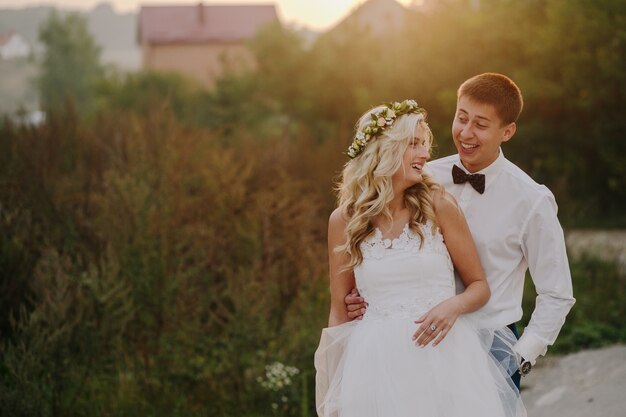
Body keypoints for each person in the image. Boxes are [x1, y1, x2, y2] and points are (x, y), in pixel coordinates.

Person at [345, 73, 576, 388]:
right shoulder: (422, 174)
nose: (466, 133)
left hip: (493, 343)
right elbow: (381, 237)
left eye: (480, 125)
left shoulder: (532, 201)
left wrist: (520, 357)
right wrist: (369, 292)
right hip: (418, 345)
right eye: (461, 118)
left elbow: (557, 293)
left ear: (507, 131)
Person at [314, 99, 526, 416]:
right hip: (375, 366)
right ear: (384, 150)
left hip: (445, 358)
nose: (425, 154)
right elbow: (339, 311)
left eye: (425, 145)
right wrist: (335, 391)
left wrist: (451, 306)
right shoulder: (343, 221)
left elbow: (479, 285)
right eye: (414, 144)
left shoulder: (439, 204)